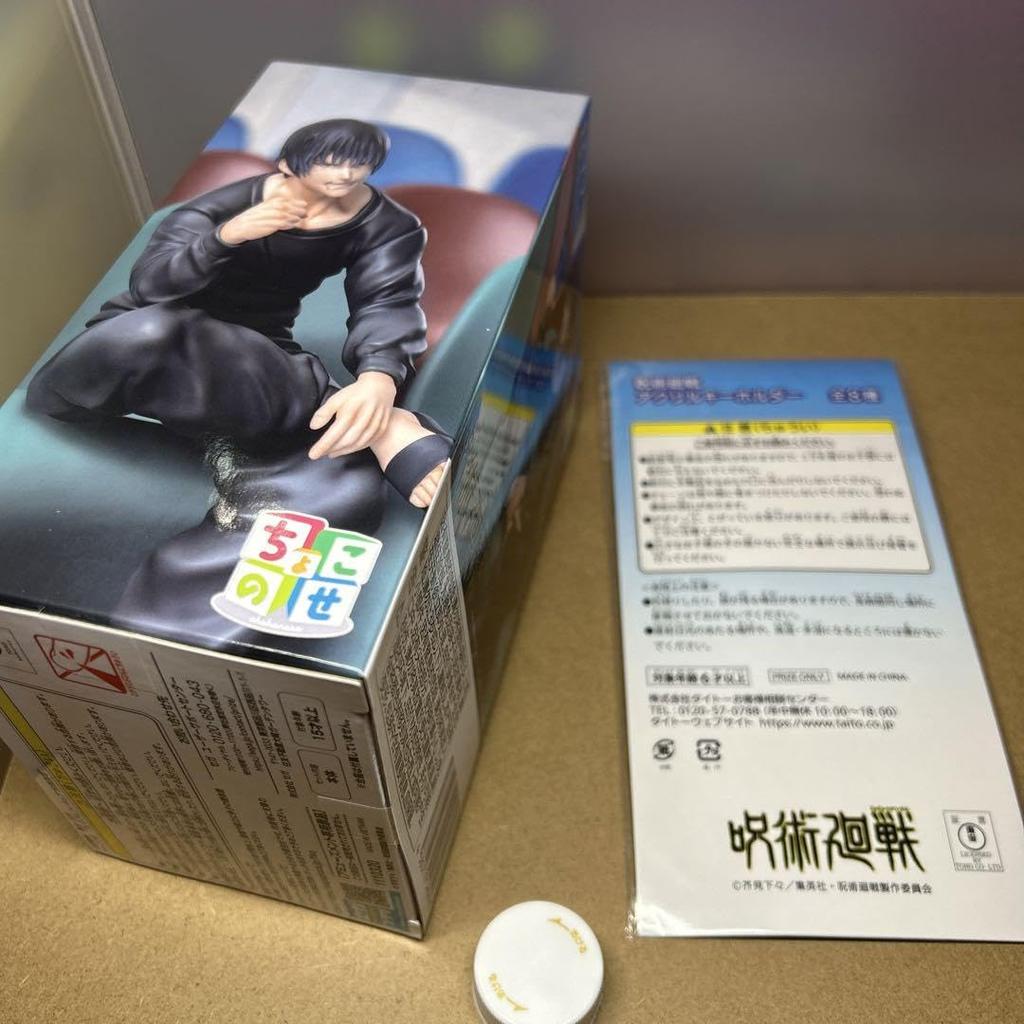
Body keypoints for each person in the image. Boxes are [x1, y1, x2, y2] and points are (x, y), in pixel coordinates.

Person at [25, 119, 452, 640]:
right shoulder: (221, 207)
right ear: (289, 164)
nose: (345, 174)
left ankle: (174, 632)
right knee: (158, 334)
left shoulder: (386, 224)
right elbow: (151, 286)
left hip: (258, 353)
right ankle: (382, 426)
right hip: (136, 346)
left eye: (358, 163)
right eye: (331, 162)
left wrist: (379, 377)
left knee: (336, 480)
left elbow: (387, 301)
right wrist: (226, 237)